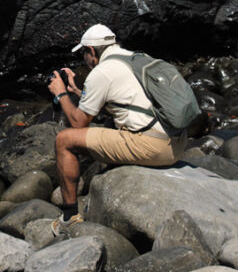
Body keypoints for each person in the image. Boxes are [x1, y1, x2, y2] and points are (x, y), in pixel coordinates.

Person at [47, 23, 187, 235]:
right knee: (110, 122)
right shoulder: (135, 57)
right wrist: (77, 90)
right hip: (178, 141)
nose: (84, 59)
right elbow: (122, 99)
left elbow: (78, 123)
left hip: (155, 147)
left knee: (64, 140)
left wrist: (61, 94)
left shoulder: (101, 72)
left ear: (92, 52)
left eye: (84, 53)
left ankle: (69, 218)